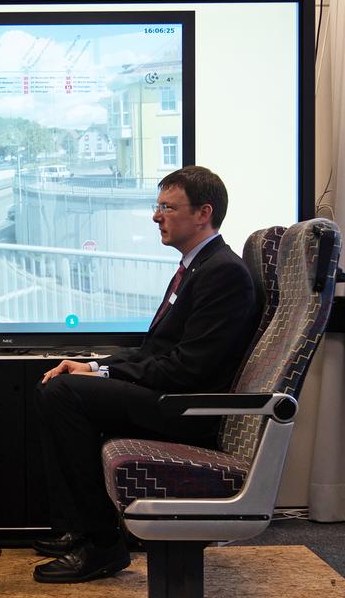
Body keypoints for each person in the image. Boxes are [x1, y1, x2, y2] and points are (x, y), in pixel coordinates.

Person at [31, 165, 259, 583]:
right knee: (61, 386)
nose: (157, 217)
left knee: (63, 394)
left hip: (189, 410)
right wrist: (96, 367)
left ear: (203, 213)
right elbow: (157, 350)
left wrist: (100, 377)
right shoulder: (196, 268)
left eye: (167, 208)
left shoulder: (222, 273)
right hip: (173, 397)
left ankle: (102, 545)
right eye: (158, 207)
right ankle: (80, 529)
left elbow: (189, 368)